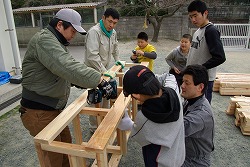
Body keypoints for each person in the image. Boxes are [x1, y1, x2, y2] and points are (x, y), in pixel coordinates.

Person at [19, 8, 114, 167]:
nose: (74, 35)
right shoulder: (44, 41)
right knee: (55, 160)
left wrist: (82, 82)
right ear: (60, 25)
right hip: (38, 113)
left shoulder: (55, 43)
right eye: (72, 30)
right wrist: (99, 80)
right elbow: (68, 67)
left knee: (67, 155)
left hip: (52, 111)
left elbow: (63, 73)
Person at [118, 65, 185, 167]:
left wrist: (129, 125)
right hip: (177, 155)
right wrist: (148, 79)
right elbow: (170, 76)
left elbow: (139, 136)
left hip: (159, 162)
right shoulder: (174, 90)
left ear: (136, 96)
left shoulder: (144, 118)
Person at [84, 8, 120, 132]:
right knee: (95, 97)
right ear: (103, 18)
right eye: (109, 21)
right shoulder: (94, 32)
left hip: (105, 69)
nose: (111, 25)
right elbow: (92, 56)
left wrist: (117, 60)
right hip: (93, 70)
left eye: (114, 23)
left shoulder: (113, 32)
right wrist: (104, 70)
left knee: (106, 93)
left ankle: (103, 120)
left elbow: (115, 47)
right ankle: (94, 127)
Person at [187, 0, 226, 103]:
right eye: (191, 17)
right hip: (194, 77)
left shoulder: (211, 31)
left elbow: (220, 57)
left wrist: (200, 68)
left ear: (205, 13)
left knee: (202, 109)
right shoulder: (198, 31)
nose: (193, 20)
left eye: (195, 16)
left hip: (204, 80)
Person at [180, 64, 214, 167]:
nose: (182, 86)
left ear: (200, 87)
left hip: (195, 162)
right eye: (183, 81)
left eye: (187, 83)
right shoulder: (191, 101)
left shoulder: (201, 115)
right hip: (186, 152)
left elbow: (174, 130)